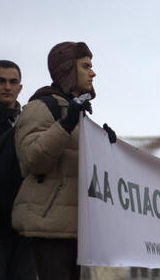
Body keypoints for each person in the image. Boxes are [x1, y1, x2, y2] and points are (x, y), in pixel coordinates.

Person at [11, 42, 110, 280]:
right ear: (67, 69)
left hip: (75, 229)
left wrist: (107, 146)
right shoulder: (40, 107)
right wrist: (66, 124)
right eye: (85, 66)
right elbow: (33, 160)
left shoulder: (78, 111)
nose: (93, 72)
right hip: (48, 228)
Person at [0, 60, 36, 279]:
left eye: (13, 82)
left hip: (25, 232)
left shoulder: (29, 124)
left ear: (20, 87)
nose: (7, 87)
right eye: (1, 81)